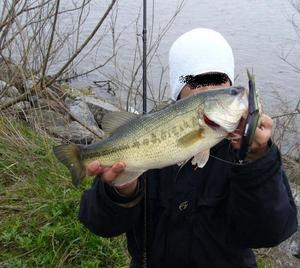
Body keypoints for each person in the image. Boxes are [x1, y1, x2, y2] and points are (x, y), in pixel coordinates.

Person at [79, 28, 298, 268]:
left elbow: (271, 231)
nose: (208, 89)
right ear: (179, 91)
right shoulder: (148, 132)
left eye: (219, 82)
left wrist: (257, 161)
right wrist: (122, 190)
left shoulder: (246, 153)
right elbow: (99, 223)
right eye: (197, 82)